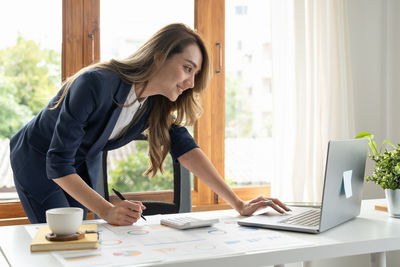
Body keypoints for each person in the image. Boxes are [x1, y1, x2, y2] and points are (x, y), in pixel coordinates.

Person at [10, 23, 289, 226]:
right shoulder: (94, 83)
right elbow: (58, 163)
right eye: (187, 68)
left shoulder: (154, 104)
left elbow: (186, 149)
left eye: (196, 74)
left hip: (79, 166)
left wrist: (238, 203)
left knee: (81, 236)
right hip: (37, 159)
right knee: (62, 237)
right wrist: (108, 210)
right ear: (159, 56)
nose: (191, 83)